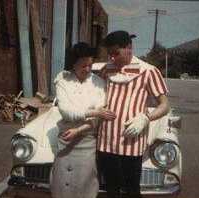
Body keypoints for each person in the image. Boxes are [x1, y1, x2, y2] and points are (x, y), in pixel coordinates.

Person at [97, 30, 170, 198]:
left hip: (131, 143)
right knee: (111, 190)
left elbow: (165, 106)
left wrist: (146, 118)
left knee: (132, 191)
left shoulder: (148, 71)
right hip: (106, 143)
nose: (112, 58)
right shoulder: (106, 69)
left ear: (129, 47)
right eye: (109, 54)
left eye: (116, 53)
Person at [50, 42, 116, 198]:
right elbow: (66, 112)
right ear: (73, 64)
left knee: (85, 184)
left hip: (87, 143)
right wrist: (94, 112)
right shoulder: (63, 79)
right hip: (65, 140)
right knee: (62, 184)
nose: (87, 69)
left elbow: (99, 119)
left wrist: (79, 130)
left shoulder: (98, 83)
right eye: (82, 66)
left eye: (90, 65)